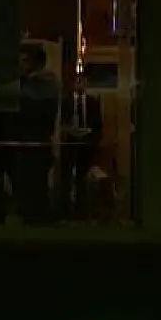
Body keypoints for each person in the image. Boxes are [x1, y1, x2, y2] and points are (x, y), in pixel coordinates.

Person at [11, 43, 60, 224]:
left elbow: (29, 110)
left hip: (35, 146)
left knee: (34, 194)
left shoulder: (43, 86)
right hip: (26, 146)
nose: (20, 65)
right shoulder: (31, 85)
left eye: (24, 61)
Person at [61, 73, 103, 219]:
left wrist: (91, 140)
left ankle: (82, 208)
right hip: (70, 144)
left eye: (82, 81)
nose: (79, 84)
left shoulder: (92, 102)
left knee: (82, 177)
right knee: (67, 176)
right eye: (77, 81)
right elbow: (63, 122)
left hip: (86, 146)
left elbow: (97, 125)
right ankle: (67, 209)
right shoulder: (67, 102)